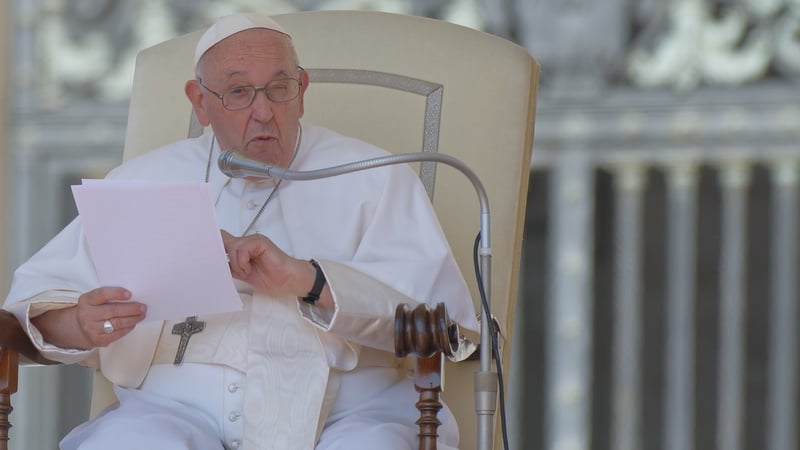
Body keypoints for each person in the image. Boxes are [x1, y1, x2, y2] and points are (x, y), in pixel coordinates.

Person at [3, 12, 479, 450]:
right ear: (200, 102)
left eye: (278, 89)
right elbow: (32, 315)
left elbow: (450, 329)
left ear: (303, 89)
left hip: (346, 418)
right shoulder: (142, 183)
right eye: (238, 92)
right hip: (172, 414)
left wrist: (310, 281)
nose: (264, 111)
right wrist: (80, 323)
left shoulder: (376, 178)